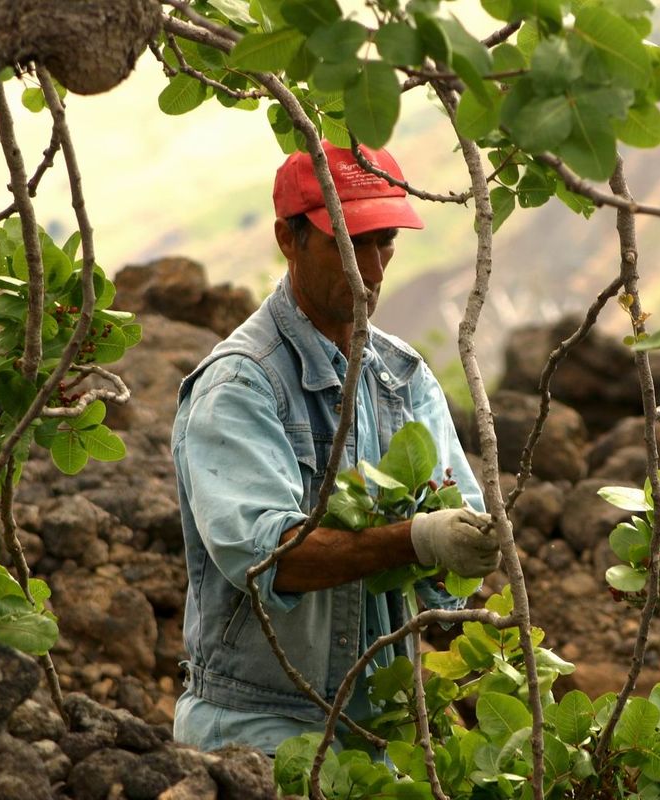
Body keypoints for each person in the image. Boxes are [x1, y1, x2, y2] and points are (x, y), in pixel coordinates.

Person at [170, 141, 500, 755]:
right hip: (256, 734)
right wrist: (416, 539)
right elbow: (268, 558)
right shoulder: (240, 384)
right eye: (348, 244)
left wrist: (464, 552)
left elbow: (454, 576)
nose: (371, 269)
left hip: (382, 730)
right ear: (288, 239)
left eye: (384, 243)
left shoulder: (402, 377)